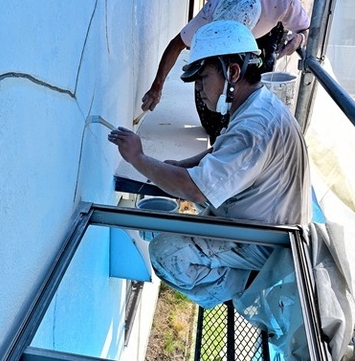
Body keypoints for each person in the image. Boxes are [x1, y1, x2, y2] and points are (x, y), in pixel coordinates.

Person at [109, 20, 312, 308]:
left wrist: (139, 159)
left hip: (268, 245)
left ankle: (247, 284)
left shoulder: (254, 128)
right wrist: (181, 165)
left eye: (203, 78)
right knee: (194, 196)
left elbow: (197, 189)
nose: (200, 90)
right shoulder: (257, 104)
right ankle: (237, 271)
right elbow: (220, 150)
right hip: (265, 225)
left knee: (167, 254)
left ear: (233, 72)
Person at [142, 0, 311, 142]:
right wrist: (157, 87)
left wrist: (299, 39)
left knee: (253, 84)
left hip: (268, 33)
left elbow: (305, 29)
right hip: (228, 22)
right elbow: (176, 44)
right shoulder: (211, 13)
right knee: (211, 120)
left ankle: (242, 122)